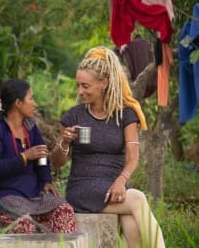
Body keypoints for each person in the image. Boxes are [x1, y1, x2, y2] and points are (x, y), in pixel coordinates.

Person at [53, 46, 165, 247]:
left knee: (132, 225)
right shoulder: (74, 115)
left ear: (103, 83)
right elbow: (56, 163)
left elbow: (132, 158)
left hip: (115, 186)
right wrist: (64, 141)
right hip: (83, 188)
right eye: (78, 85)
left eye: (85, 86)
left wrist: (121, 181)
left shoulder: (125, 115)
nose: (80, 92)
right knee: (138, 200)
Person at [0, 79, 77, 233]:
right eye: (31, 98)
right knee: (25, 225)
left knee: (64, 211)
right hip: (4, 195)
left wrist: (46, 181)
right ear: (18, 103)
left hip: (34, 194)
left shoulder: (31, 127)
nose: (34, 103)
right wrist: (24, 157)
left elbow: (41, 156)